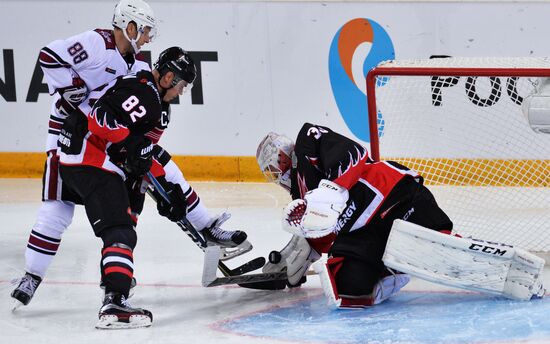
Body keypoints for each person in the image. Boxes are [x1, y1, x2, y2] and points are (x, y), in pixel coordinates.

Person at [12, 1, 247, 307]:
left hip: (104, 144)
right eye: (146, 29)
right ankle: (33, 276)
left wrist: (165, 192)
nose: (149, 37)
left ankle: (132, 259)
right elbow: (49, 55)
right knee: (57, 209)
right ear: (130, 25)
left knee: (142, 187)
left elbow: (145, 146)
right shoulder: (96, 43)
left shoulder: (137, 68)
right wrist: (73, 91)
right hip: (68, 135)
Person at [54, 46, 202, 328]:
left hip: (88, 158)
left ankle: (115, 276)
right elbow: (101, 118)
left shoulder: (152, 96)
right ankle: (115, 301)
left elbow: (143, 154)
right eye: (181, 85)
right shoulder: (146, 94)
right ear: (169, 77)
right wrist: (132, 145)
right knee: (120, 229)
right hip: (88, 158)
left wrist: (168, 192)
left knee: (131, 207)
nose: (182, 91)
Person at [256, 122, 453, 308]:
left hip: (391, 196)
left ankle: (454, 246)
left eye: (273, 169)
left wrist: (333, 189)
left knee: (436, 239)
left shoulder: (307, 143)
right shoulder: (301, 196)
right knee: (346, 288)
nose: (276, 176)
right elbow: (322, 234)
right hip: (364, 233)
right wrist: (290, 258)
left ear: (282, 156)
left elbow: (352, 153)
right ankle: (390, 269)